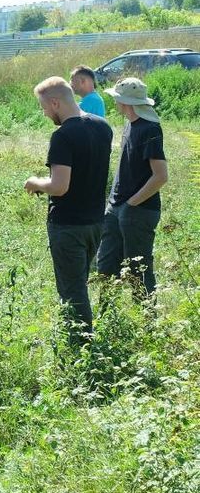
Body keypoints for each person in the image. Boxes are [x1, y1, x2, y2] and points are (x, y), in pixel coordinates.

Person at [24, 77, 113, 343]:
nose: (44, 113)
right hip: (96, 221)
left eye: (44, 107)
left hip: (69, 226)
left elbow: (60, 186)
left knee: (72, 291)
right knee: (80, 282)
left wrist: (35, 183)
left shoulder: (62, 136)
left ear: (55, 102)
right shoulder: (103, 127)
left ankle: (83, 349)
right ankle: (83, 340)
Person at [96, 77, 168, 294]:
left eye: (116, 99)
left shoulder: (150, 129)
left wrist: (131, 204)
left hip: (139, 210)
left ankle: (148, 323)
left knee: (139, 270)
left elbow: (161, 176)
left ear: (124, 101)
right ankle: (107, 317)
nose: (114, 103)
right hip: (116, 206)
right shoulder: (130, 122)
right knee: (106, 266)